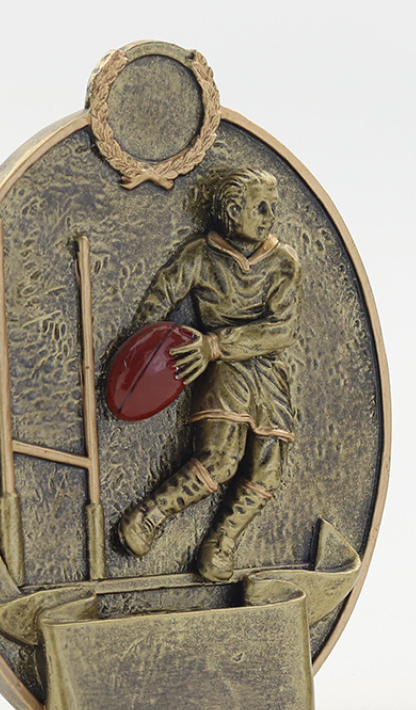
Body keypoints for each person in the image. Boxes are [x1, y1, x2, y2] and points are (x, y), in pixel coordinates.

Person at [119, 167, 302, 581]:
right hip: (222, 370)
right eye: (260, 207)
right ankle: (149, 515)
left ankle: (222, 540)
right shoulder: (200, 255)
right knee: (220, 459)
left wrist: (216, 344)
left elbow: (283, 329)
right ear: (233, 211)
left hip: (264, 370)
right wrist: (143, 355)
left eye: (273, 207)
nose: (270, 216)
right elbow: (160, 297)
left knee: (268, 469)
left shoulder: (284, 263)